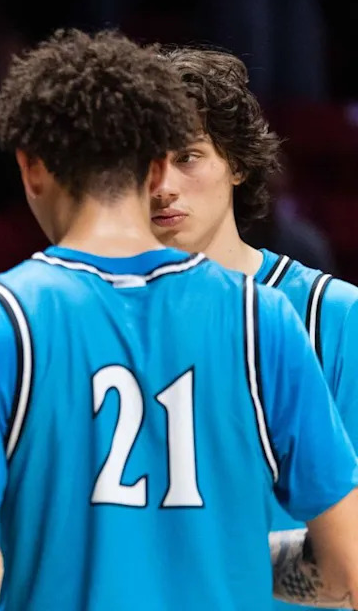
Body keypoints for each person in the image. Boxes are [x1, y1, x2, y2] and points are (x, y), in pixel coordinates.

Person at [0, 28, 358, 611]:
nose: (165, 185)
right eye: (155, 160)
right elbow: (346, 562)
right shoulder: (261, 318)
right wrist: (224, 558)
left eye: (188, 156)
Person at [153, 46, 358, 609]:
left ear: (238, 164)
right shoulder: (78, 327)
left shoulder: (333, 316)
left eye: (188, 156)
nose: (162, 185)